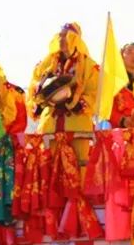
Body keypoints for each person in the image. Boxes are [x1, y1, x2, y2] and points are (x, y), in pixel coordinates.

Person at [28, 22, 98, 159]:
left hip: (77, 126)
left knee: (79, 170)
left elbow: (94, 95)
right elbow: (33, 89)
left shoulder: (90, 66)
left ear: (77, 39)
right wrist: (42, 91)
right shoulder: (46, 64)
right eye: (60, 35)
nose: (62, 39)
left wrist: (74, 99)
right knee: (48, 167)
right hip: (50, 126)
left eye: (67, 35)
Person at [108, 42, 134, 128]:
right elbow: (105, 107)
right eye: (129, 52)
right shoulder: (113, 82)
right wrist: (122, 120)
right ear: (121, 56)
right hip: (119, 134)